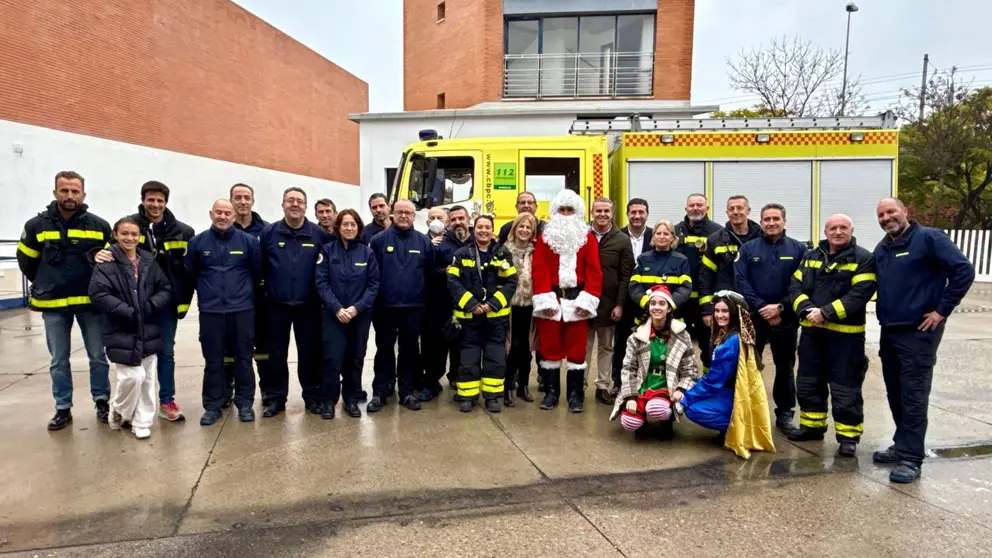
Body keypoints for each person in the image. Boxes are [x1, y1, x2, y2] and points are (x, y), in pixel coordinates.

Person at [872, 198, 974, 483]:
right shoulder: (883, 248)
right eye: (881, 214)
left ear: (905, 211)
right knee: (895, 392)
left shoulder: (929, 238)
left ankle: (911, 459)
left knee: (914, 394)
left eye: (891, 211)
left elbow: (963, 270)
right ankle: (902, 443)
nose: (886, 217)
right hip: (890, 331)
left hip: (919, 332)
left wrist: (942, 310)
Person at [17, 171, 112, 430]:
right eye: (64, 190)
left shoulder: (99, 226)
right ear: (55, 192)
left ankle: (102, 401)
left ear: (83, 195)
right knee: (59, 360)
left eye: (75, 191)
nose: (70, 196)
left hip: (90, 303)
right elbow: (27, 261)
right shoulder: (36, 226)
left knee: (98, 356)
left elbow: (110, 264)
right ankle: (62, 408)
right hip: (54, 304)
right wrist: (46, 282)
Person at [95, 181, 195, 422]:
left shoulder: (183, 232)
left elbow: (190, 269)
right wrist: (96, 254)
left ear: (166, 203)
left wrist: (183, 299)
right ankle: (131, 407)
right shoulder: (129, 227)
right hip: (133, 305)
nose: (155, 204)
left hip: (166, 304)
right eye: (151, 199)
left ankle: (167, 401)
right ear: (143, 200)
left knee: (166, 353)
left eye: (160, 200)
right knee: (135, 356)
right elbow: (108, 256)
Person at [785, 214, 877, 457]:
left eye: (843, 227)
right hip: (812, 334)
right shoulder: (811, 256)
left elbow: (861, 293)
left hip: (846, 338)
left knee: (845, 387)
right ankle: (812, 426)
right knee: (809, 383)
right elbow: (794, 286)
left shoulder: (863, 259)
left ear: (851, 230)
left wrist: (826, 313)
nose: (838, 232)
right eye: (833, 228)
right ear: (825, 231)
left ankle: (848, 436)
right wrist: (807, 310)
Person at [88, 217, 172, 439]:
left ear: (140, 237)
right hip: (121, 327)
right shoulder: (106, 261)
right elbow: (98, 293)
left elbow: (164, 288)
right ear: (115, 235)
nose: (130, 238)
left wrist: (150, 306)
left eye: (134, 234)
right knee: (132, 376)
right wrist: (127, 311)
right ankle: (120, 409)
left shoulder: (148, 261)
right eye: (124, 233)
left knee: (147, 378)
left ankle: (142, 421)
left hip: (148, 326)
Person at [185, 199, 262, 426]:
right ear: (211, 214)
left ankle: (245, 404)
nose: (223, 217)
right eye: (218, 212)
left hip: (242, 311)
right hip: (211, 312)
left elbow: (257, 272)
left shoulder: (248, 242)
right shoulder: (198, 243)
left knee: (244, 359)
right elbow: (190, 273)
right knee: (213, 361)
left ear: (233, 216)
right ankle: (213, 406)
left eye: (227, 213)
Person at [258, 187, 332, 417]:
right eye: (290, 200)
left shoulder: (319, 235)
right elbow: (260, 268)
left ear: (305, 207)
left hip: (308, 306)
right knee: (276, 355)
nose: (295, 205)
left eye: (299, 201)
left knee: (309, 354)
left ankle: (312, 396)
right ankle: (276, 398)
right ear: (283, 205)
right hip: (276, 306)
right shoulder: (268, 233)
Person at [734, 203, 807, 432]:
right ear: (761, 222)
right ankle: (748, 410)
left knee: (785, 366)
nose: (771, 223)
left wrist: (781, 308)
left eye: (776, 219)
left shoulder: (799, 249)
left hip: (786, 318)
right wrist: (762, 307)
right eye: (767, 219)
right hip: (754, 317)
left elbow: (802, 283)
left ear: (784, 221)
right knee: (749, 365)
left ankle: (784, 412)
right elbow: (741, 281)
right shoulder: (748, 249)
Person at [681, 291, 776, 460]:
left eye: (725, 311)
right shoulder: (728, 335)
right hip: (730, 391)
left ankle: (740, 428)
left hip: (733, 393)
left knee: (693, 409)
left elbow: (714, 381)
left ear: (734, 313)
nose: (719, 315)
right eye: (717, 311)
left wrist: (686, 397)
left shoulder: (732, 341)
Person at [532, 189, 603, 412]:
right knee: (549, 349)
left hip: (577, 301)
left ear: (577, 212)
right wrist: (545, 300)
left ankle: (575, 396)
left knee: (577, 351)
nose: (564, 214)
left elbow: (594, 271)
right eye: (561, 209)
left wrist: (587, 301)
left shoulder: (587, 239)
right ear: (555, 211)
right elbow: (539, 269)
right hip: (551, 300)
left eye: (569, 210)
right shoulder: (545, 238)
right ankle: (551, 393)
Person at [367, 199, 437, 412]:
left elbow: (430, 274)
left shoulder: (423, 242)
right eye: (400, 212)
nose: (404, 216)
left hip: (413, 308)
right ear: (392, 214)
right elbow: (371, 275)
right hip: (385, 309)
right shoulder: (378, 241)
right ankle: (380, 393)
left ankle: (406, 393)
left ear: (414, 216)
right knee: (384, 351)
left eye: (408, 213)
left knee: (408, 352)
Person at [447, 215, 518, 412]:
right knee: (468, 358)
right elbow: (453, 282)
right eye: (480, 227)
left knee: (495, 358)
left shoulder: (503, 253)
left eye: (487, 227)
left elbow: (511, 281)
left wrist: (493, 304)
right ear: (474, 229)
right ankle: (468, 396)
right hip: (470, 318)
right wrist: (471, 304)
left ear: (492, 231)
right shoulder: (461, 254)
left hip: (496, 319)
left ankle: (492, 397)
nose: (483, 231)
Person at [609, 286, 698, 439]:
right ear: (648, 307)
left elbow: (690, 369)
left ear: (669, 308)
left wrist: (681, 389)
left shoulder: (682, 335)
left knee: (657, 408)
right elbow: (628, 369)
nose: (657, 307)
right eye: (653, 303)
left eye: (662, 303)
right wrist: (630, 397)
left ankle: (667, 419)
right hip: (642, 384)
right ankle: (641, 418)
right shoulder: (636, 336)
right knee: (629, 422)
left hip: (667, 384)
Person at [315, 210, 380, 419]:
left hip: (359, 316)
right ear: (338, 227)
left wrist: (356, 308)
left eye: (353, 224)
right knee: (332, 359)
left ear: (358, 227)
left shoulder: (367, 253)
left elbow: (374, 284)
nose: (349, 228)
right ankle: (329, 401)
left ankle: (351, 399)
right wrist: (336, 308)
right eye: (345, 224)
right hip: (333, 315)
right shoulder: (327, 250)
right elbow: (321, 282)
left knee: (355, 359)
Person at [698, 195, 761, 354]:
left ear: (748, 210)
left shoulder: (761, 237)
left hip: (755, 307)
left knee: (753, 354)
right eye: (731, 209)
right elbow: (705, 276)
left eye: (740, 208)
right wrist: (707, 309)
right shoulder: (715, 240)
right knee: (722, 352)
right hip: (725, 308)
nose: (736, 212)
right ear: (727, 213)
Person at [586, 197, 635, 405]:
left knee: (606, 347)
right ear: (592, 212)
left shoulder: (622, 240)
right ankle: (579, 385)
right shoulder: (582, 235)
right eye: (599, 211)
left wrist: (620, 304)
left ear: (612, 213)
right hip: (584, 301)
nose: (602, 214)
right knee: (584, 346)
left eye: (606, 211)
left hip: (609, 303)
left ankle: (602, 386)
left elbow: (626, 276)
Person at [229, 183, 272, 406]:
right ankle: (227, 389)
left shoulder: (266, 231)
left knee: (264, 347)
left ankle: (267, 389)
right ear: (231, 201)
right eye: (238, 197)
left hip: (260, 299)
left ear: (253, 201)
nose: (243, 201)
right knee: (230, 348)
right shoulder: (223, 229)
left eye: (247, 197)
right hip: (231, 300)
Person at [423, 205, 472, 399]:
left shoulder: (477, 242)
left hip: (468, 304)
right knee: (437, 345)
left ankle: (458, 379)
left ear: (468, 220)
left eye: (461, 218)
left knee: (463, 345)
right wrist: (446, 271)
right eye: (454, 219)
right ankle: (432, 382)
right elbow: (428, 271)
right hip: (441, 303)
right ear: (448, 223)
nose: (458, 222)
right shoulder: (440, 243)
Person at [674, 194, 722, 370]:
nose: (695, 208)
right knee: (677, 345)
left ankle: (709, 378)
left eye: (700, 205)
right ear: (686, 209)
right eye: (692, 205)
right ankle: (680, 379)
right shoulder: (675, 231)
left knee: (709, 345)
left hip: (706, 301)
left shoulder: (718, 232)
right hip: (681, 301)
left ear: (707, 208)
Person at [613, 198, 653, 398]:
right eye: (633, 212)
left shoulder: (655, 235)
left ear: (647, 214)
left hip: (648, 299)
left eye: (641, 212)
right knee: (621, 342)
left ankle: (646, 382)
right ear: (627, 214)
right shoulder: (617, 236)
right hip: (623, 298)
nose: (637, 216)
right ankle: (618, 382)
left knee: (648, 341)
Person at [503, 212, 538, 405]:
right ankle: (508, 385)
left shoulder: (536, 251)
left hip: (531, 305)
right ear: (514, 229)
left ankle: (523, 385)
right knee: (512, 346)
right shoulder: (504, 250)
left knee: (527, 347)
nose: (524, 230)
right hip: (510, 305)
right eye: (521, 226)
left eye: (528, 227)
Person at [628, 220, 692, 322]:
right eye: (658, 233)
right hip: (645, 316)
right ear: (653, 236)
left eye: (666, 234)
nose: (662, 237)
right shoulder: (642, 259)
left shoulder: (681, 260)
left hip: (673, 317)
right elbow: (634, 286)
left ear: (672, 237)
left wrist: (668, 304)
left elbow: (685, 288)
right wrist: (648, 304)